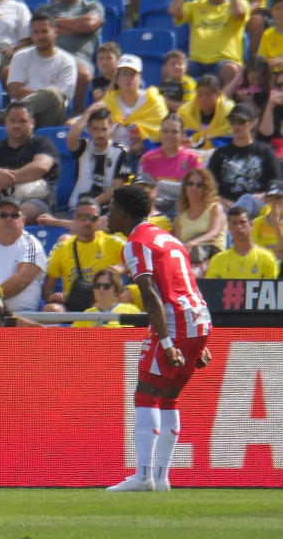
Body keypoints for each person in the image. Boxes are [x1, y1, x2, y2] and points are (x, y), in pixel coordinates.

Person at [105, 184, 211, 492]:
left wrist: (167, 342)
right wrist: (198, 338)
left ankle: (143, 476)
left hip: (175, 322)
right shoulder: (170, 239)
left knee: (146, 394)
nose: (107, 216)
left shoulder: (136, 242)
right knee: (169, 397)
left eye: (110, 210)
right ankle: (162, 478)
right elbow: (187, 284)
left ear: (123, 214)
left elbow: (150, 293)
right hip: (198, 318)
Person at [0, 12, 77, 129]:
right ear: (31, 35)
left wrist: (47, 95)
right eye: (36, 32)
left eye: (44, 31)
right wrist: (43, 95)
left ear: (55, 33)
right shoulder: (20, 56)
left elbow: (61, 97)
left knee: (53, 94)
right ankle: (6, 116)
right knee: (51, 93)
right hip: (21, 115)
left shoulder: (67, 61)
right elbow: (14, 90)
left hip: (51, 116)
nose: (40, 36)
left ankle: (0, 117)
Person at [0, 102, 61, 225]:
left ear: (32, 123)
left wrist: (4, 180)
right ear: (6, 123)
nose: (17, 125)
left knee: (16, 213)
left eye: (22, 121)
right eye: (13, 121)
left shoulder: (42, 143)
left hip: (34, 204)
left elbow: (40, 167)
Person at [37, 0, 105, 113]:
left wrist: (54, 22)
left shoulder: (91, 6)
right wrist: (75, 27)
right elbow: (37, 30)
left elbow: (89, 24)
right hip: (46, 57)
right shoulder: (45, 9)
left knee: (83, 74)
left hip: (78, 58)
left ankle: (78, 113)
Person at [41, 197, 125, 312]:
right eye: (82, 217)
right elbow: (47, 289)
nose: (87, 222)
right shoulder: (61, 248)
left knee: (98, 308)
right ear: (74, 218)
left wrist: (121, 269)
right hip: (73, 304)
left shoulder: (114, 243)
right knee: (50, 310)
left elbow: (138, 261)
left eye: (92, 218)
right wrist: (55, 299)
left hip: (104, 303)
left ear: (99, 220)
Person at [168, 0, 248, 85]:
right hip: (196, 62)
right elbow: (173, 10)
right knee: (169, 68)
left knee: (230, 70)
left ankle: (229, 103)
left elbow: (239, 13)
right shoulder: (195, 5)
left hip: (223, 62)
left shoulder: (239, 4)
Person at [207, 102, 283, 215]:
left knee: (247, 199)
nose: (236, 126)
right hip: (226, 206)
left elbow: (278, 183)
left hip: (257, 205)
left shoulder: (265, 152)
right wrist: (219, 200)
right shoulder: (220, 153)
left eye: (241, 121)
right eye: (233, 121)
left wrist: (263, 195)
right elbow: (207, 185)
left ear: (253, 122)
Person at [0, 197, 48, 314]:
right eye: (3, 215)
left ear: (22, 220)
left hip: (23, 314)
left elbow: (22, 279)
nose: (8, 219)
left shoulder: (31, 244)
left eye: (14, 215)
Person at [102, 54, 169, 158]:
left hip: (146, 157)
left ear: (140, 78)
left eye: (133, 73)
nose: (129, 78)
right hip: (111, 156)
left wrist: (141, 142)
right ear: (117, 79)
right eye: (124, 74)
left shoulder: (154, 101)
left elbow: (162, 130)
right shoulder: (108, 102)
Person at [65, 104, 131, 211]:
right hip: (77, 207)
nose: (99, 134)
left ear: (110, 127)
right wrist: (87, 113)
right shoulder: (83, 147)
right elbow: (70, 138)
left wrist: (93, 203)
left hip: (105, 209)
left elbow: (117, 187)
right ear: (89, 129)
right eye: (94, 129)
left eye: (103, 129)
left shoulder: (120, 152)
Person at [139, 114, 204, 211]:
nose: (169, 136)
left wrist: (158, 185)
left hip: (184, 210)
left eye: (174, 132)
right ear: (160, 133)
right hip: (154, 210)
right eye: (165, 131)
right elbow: (143, 189)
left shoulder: (193, 159)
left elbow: (196, 190)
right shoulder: (147, 159)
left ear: (183, 135)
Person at [173, 168, 228, 272]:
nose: (194, 188)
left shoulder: (215, 208)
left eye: (199, 185)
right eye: (190, 184)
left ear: (206, 188)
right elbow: (179, 245)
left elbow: (213, 234)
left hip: (214, 258)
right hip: (189, 261)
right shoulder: (179, 218)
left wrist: (192, 243)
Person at [205, 206, 278, 278]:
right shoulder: (218, 260)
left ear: (251, 225)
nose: (239, 227)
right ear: (229, 227)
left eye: (242, 222)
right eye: (234, 223)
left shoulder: (266, 258)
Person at [177, 74, 235, 150]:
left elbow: (230, 138)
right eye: (199, 95)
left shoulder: (228, 111)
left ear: (218, 95)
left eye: (208, 95)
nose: (203, 99)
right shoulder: (185, 111)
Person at [70, 267, 142, 328]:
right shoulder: (86, 315)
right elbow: (72, 340)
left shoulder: (131, 310)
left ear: (116, 290)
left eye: (106, 286)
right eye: (97, 286)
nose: (101, 289)